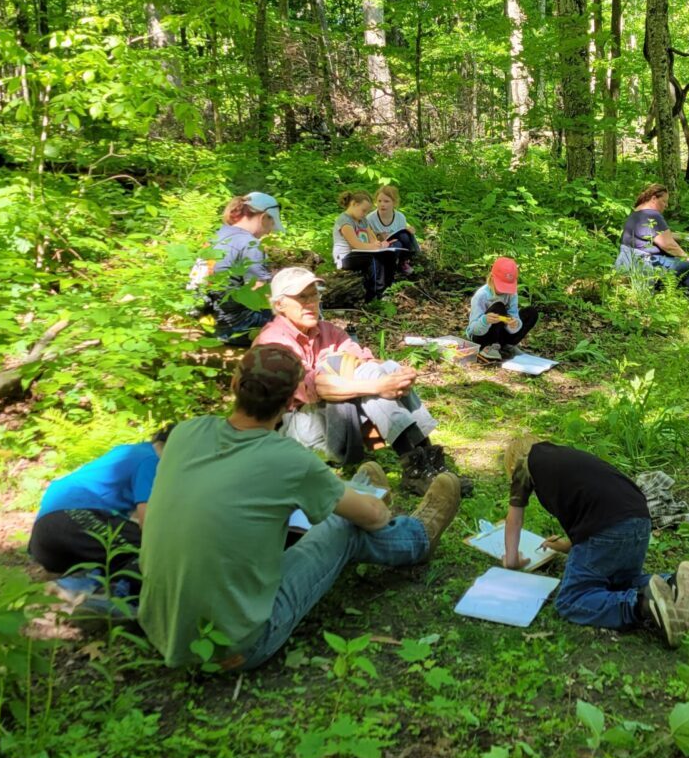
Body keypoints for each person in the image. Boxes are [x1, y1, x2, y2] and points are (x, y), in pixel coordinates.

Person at [139, 344, 462, 671]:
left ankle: (359, 491)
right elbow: (375, 518)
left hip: (160, 629)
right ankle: (418, 535)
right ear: (292, 399)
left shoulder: (185, 433)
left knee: (304, 515)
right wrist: (366, 506)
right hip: (236, 647)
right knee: (346, 525)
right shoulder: (288, 459)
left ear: (235, 384)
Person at [254, 267, 469, 495]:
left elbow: (367, 361)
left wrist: (399, 376)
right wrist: (380, 386)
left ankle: (427, 463)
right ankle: (417, 467)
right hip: (297, 433)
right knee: (371, 378)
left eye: (314, 294)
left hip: (339, 422)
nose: (310, 303)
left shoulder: (327, 331)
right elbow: (317, 388)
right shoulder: (274, 341)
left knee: (387, 368)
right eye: (301, 297)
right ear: (279, 305)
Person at [500, 435, 689, 647]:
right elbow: (595, 509)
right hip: (640, 520)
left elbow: (514, 519)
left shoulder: (524, 462)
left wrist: (512, 560)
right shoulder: (567, 458)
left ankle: (642, 604)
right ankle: (671, 584)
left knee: (570, 600)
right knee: (619, 583)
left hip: (607, 528)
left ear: (513, 463)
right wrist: (565, 545)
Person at [29, 425, 174, 605]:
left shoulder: (132, 451)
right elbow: (149, 522)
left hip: (48, 538)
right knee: (159, 548)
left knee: (123, 548)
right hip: (72, 519)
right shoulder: (151, 460)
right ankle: (110, 598)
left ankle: (79, 583)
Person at [188, 192, 285, 346]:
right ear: (264, 217)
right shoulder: (249, 244)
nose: (270, 231)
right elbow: (259, 293)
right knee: (301, 307)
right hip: (236, 327)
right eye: (272, 224)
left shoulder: (215, 237)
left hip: (208, 323)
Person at [614, 184, 689, 309]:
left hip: (631, 261)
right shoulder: (653, 215)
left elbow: (657, 235)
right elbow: (667, 244)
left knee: (675, 265)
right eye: (664, 201)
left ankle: (686, 299)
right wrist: (687, 258)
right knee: (685, 267)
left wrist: (686, 236)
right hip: (644, 261)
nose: (666, 205)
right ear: (654, 198)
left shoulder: (637, 214)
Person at [466, 257, 540, 362]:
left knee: (531, 313)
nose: (505, 290)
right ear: (492, 278)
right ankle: (490, 347)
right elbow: (474, 330)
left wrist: (514, 324)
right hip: (482, 336)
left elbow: (514, 316)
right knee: (498, 306)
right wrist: (485, 320)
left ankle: (506, 346)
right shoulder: (481, 296)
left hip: (501, 333)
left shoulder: (512, 294)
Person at [333, 190, 399, 300]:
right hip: (345, 257)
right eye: (363, 211)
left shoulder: (362, 219)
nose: (365, 214)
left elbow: (372, 238)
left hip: (360, 253)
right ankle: (376, 294)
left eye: (367, 212)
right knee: (372, 258)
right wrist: (374, 247)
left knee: (388, 254)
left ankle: (389, 288)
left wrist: (380, 244)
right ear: (354, 204)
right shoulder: (344, 220)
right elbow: (356, 244)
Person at [366, 185, 419, 276]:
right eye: (379, 201)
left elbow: (403, 237)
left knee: (404, 236)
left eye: (386, 201)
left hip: (397, 246)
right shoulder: (370, 218)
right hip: (380, 248)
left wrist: (409, 230)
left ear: (394, 203)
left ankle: (404, 262)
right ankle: (388, 268)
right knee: (397, 244)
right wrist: (379, 237)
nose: (382, 204)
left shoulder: (400, 217)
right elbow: (365, 239)